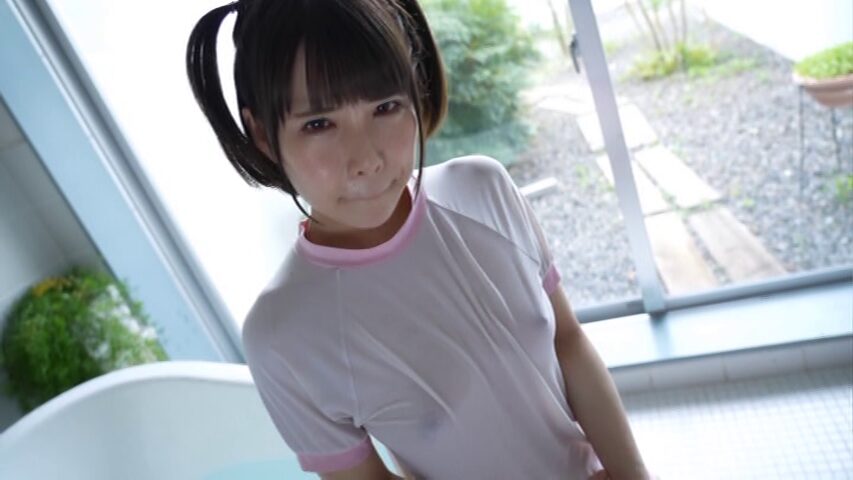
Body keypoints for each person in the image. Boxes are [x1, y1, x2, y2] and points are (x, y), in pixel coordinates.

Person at [185, 1, 655, 478]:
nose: (366, 160)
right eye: (319, 124)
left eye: (385, 107)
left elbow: (567, 342)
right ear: (263, 136)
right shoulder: (283, 334)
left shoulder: (484, 189)